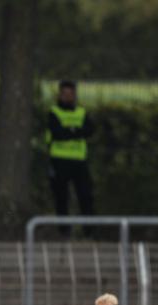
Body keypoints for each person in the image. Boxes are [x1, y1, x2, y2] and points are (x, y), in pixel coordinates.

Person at [46, 80, 95, 238]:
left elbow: (90, 130)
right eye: (65, 94)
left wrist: (69, 131)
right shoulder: (53, 112)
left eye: (71, 94)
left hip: (79, 161)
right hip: (59, 160)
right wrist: (76, 131)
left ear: (75, 95)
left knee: (85, 196)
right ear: (59, 95)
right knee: (61, 197)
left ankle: (89, 231)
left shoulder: (81, 112)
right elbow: (57, 134)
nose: (68, 97)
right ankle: (64, 230)